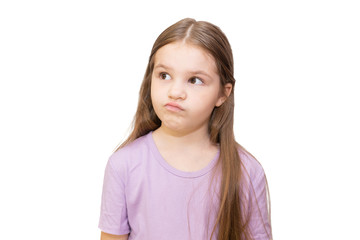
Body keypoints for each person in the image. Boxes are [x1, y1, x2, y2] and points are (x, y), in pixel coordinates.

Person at [98, 18, 272, 240]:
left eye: (195, 80)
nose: (175, 91)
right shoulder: (123, 165)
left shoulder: (246, 171)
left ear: (223, 93)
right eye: (164, 76)